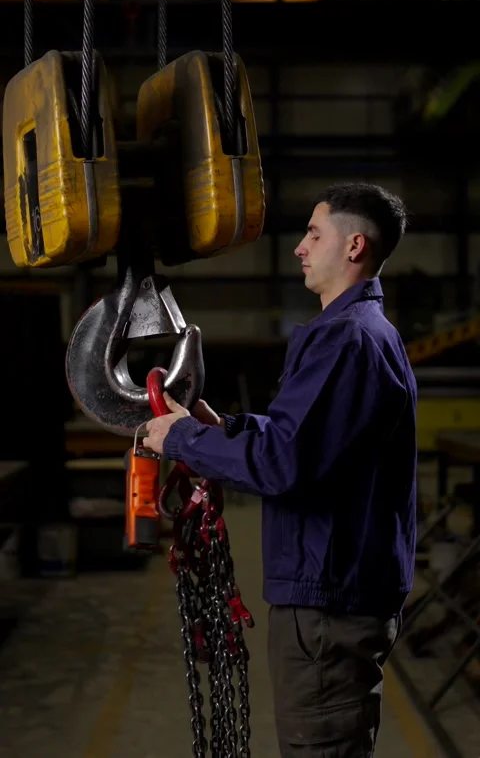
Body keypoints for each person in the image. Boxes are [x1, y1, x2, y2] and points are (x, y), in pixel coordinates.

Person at [143, 182, 417, 758]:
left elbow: (283, 465)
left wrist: (184, 439)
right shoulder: (360, 335)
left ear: (354, 246)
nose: (299, 247)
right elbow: (307, 442)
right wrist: (223, 431)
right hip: (335, 590)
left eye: (315, 234)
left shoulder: (347, 341)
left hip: (329, 601)